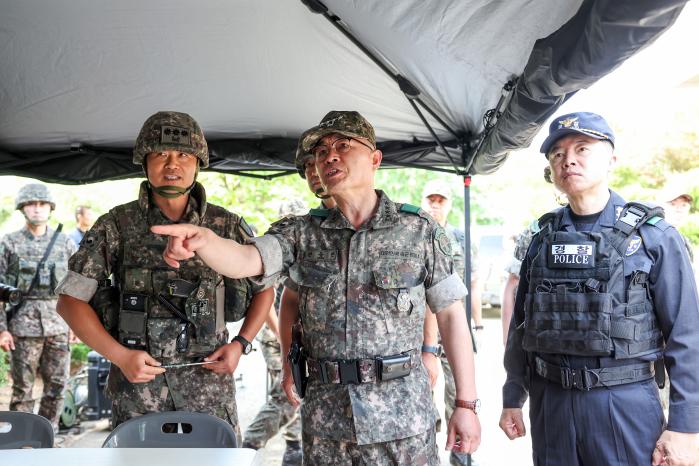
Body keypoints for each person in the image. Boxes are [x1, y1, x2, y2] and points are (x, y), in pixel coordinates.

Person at [153, 111, 481, 465]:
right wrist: (204, 241)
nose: (329, 156)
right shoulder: (302, 233)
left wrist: (465, 403)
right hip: (328, 423)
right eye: (321, 151)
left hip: (403, 421)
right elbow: (248, 260)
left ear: (374, 159)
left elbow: (451, 316)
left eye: (342, 145)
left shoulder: (419, 231)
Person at [499, 111, 699, 466]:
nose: (569, 160)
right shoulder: (541, 240)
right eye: (557, 153)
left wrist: (685, 426)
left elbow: (687, 336)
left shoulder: (653, 237)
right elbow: (522, 326)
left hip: (624, 406)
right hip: (552, 406)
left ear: (612, 159)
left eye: (582, 148)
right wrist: (513, 394)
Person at [55, 111, 273, 435]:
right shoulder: (117, 225)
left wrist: (241, 343)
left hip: (208, 392)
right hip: (138, 395)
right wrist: (119, 356)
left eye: (183, 154)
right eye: (161, 154)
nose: (172, 165)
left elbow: (264, 288)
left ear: (198, 162)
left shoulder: (225, 225)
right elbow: (69, 301)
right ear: (144, 162)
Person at [0, 183, 77, 431]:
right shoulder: (9, 243)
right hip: (22, 326)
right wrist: (2, 329)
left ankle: (47, 435)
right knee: (23, 388)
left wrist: (77, 325)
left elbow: (75, 288)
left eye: (42, 204)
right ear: (23, 208)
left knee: (57, 385)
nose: (37, 209)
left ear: (50, 208)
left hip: (59, 323)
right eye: (31, 204)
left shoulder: (65, 243)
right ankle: (21, 438)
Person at [420, 179, 481, 466]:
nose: (435, 204)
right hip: (421, 336)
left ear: (450, 204)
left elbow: (473, 282)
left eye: (440, 199)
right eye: (430, 199)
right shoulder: (414, 236)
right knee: (422, 401)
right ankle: (426, 452)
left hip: (454, 332)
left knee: (458, 396)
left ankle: (461, 458)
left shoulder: (461, 239)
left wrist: (476, 324)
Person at [242, 200, 307, 466]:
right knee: (288, 394)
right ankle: (249, 444)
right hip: (276, 337)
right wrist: (283, 340)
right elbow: (266, 299)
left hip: (295, 337)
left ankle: (293, 447)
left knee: (296, 393)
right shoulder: (277, 247)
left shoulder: (308, 245)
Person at [661, 191, 694, 262]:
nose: (679, 210)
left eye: (684, 205)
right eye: (673, 204)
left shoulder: (684, 240)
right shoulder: (653, 238)